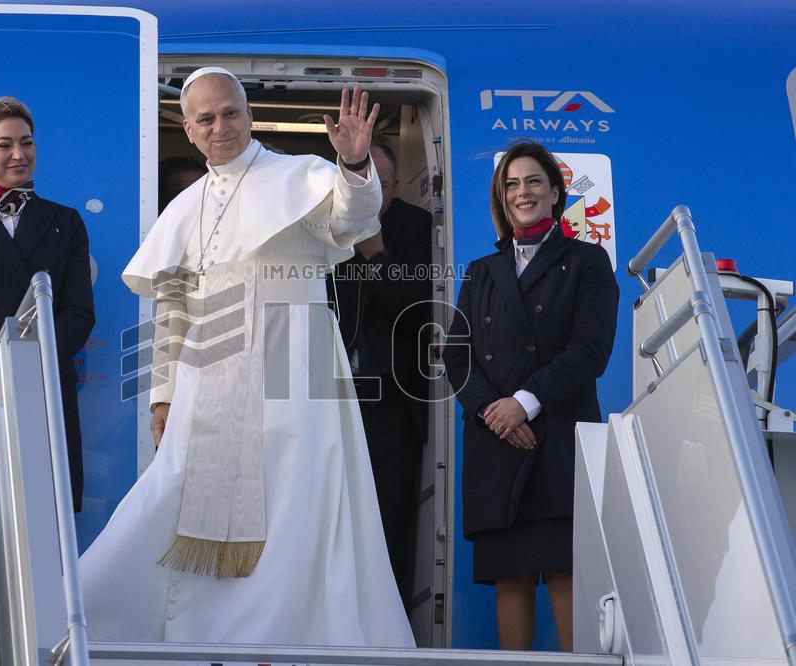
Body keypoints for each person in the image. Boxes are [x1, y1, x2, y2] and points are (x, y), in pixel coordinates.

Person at [79, 67, 414, 648]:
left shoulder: (297, 175)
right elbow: (173, 309)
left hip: (293, 368)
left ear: (248, 114)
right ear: (187, 130)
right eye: (206, 119)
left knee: (293, 502)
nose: (221, 127)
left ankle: (284, 640)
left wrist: (356, 166)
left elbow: (351, 220)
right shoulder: (185, 206)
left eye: (230, 112)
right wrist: (161, 396)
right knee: (175, 498)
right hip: (205, 378)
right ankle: (109, 621)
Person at [441, 141, 617, 651]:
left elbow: (591, 350)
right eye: (512, 184)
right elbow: (456, 355)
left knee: (565, 575)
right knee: (510, 578)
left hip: (558, 438)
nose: (524, 192)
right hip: (497, 441)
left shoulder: (588, 261)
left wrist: (526, 402)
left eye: (534, 181)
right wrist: (494, 411)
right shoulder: (480, 271)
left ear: (557, 192)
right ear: (502, 197)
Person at [0, 97, 94, 512]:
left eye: (27, 143)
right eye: (4, 144)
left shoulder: (65, 220)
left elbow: (79, 311)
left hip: (45, 380)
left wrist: (32, 356)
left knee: (46, 509)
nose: (19, 154)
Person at [329, 138, 432, 607]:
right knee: (327, 517)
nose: (372, 195)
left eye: (380, 185)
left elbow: (415, 312)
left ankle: (383, 630)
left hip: (391, 402)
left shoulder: (416, 227)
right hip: (324, 399)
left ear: (393, 185)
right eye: (360, 184)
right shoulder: (322, 227)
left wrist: (375, 254)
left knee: (388, 518)